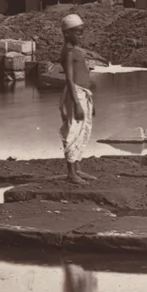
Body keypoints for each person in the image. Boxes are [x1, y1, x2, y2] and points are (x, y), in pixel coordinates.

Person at [59, 14, 96, 184]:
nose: (81, 36)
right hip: (76, 94)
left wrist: (88, 103)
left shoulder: (74, 51)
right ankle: (71, 173)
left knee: (83, 129)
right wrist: (76, 104)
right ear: (67, 33)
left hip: (83, 94)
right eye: (78, 33)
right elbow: (69, 79)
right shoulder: (68, 52)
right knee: (73, 131)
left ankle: (78, 168)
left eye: (82, 32)